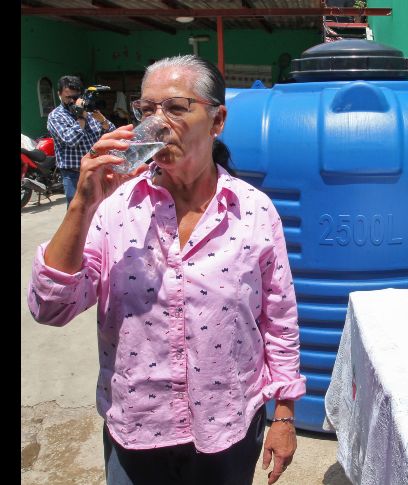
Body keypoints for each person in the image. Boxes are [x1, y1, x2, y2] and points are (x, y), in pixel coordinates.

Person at [27, 55, 306, 485]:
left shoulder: (252, 211)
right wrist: (83, 204)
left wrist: (284, 414)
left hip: (227, 427)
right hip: (138, 428)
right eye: (146, 110)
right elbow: (51, 307)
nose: (156, 123)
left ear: (217, 121)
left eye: (175, 108)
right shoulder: (116, 209)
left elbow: (279, 319)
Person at [47, 75, 116, 208]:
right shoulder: (56, 116)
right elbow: (71, 140)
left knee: (101, 208)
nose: (73, 101)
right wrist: (81, 118)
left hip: (96, 169)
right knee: (77, 209)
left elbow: (111, 134)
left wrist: (102, 120)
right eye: (68, 97)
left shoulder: (89, 111)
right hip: (74, 174)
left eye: (76, 97)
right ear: (59, 94)